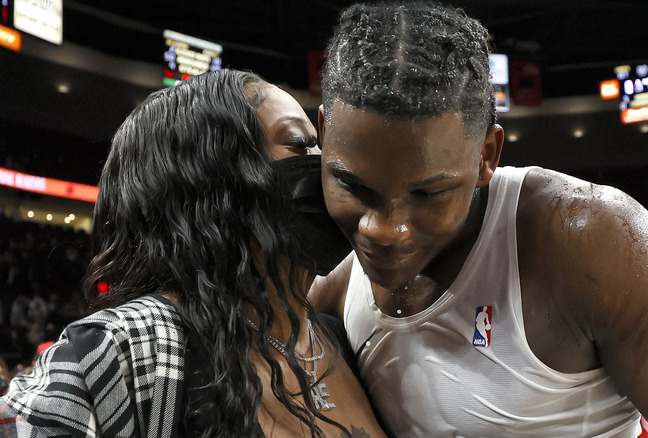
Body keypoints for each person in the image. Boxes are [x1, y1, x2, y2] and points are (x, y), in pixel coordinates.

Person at [309, 2, 648, 437]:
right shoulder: (328, 288)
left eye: (428, 193)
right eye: (354, 187)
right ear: (324, 135)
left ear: (487, 155)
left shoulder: (589, 241)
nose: (385, 230)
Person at [0, 69, 386, 437]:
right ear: (216, 185)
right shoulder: (122, 349)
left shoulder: (344, 335)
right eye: (300, 145)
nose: (329, 167)